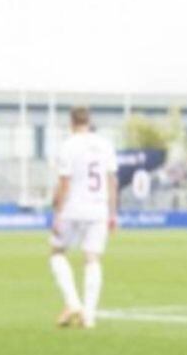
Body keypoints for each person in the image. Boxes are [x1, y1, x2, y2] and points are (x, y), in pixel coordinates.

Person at [49, 106, 118, 329]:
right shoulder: (105, 145)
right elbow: (111, 181)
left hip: (73, 207)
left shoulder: (68, 146)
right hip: (99, 208)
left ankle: (73, 303)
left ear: (71, 122)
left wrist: (57, 209)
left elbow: (64, 182)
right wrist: (113, 212)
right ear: (89, 121)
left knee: (57, 253)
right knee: (92, 259)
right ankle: (89, 316)